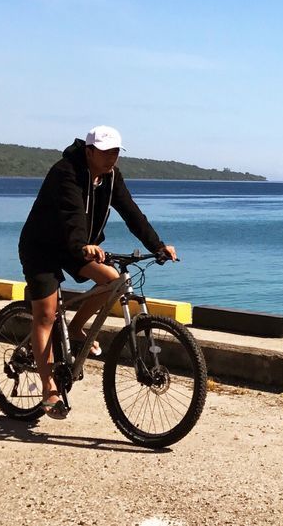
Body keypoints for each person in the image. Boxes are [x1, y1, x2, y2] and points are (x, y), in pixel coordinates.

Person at [18, 125, 178, 419]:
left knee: (113, 280)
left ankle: (78, 328)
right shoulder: (65, 172)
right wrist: (84, 245)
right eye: (105, 152)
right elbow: (72, 213)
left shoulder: (112, 177)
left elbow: (132, 213)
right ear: (89, 151)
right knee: (46, 314)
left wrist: (157, 246)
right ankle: (48, 389)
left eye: (116, 152)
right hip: (42, 247)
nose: (111, 158)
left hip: (76, 246)